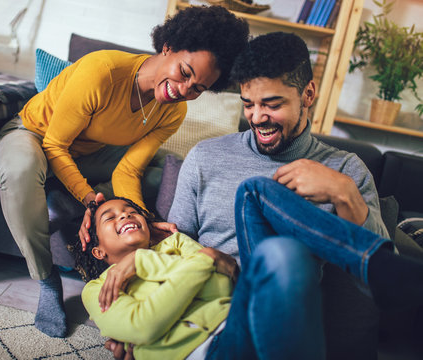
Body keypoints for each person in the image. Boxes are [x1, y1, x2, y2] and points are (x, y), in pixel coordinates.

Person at [96, 32, 423, 357]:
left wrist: (345, 193)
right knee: (257, 194)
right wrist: (138, 329)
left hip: (287, 313)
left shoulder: (346, 170)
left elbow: (367, 292)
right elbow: (174, 249)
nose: (256, 118)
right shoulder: (206, 157)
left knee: (285, 254)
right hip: (221, 315)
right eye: (248, 105)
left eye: (272, 104)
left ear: (308, 94)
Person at [0, 5, 250, 338]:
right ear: (168, 47)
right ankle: (46, 280)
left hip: (89, 154)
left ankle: (63, 200)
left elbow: (128, 169)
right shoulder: (102, 72)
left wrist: (141, 216)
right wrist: (90, 200)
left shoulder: (172, 112)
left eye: (198, 88)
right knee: (22, 168)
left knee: (159, 174)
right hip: (35, 135)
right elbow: (55, 145)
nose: (184, 90)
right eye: (185, 72)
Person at [78, 195, 423, 359]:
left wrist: (152, 260)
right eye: (110, 217)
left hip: (246, 320)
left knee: (279, 242)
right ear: (98, 251)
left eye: (131, 210)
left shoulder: (173, 244)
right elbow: (143, 326)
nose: (125, 216)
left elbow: (223, 285)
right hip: (213, 351)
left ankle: (381, 270)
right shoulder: (95, 290)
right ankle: (381, 269)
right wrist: (206, 259)